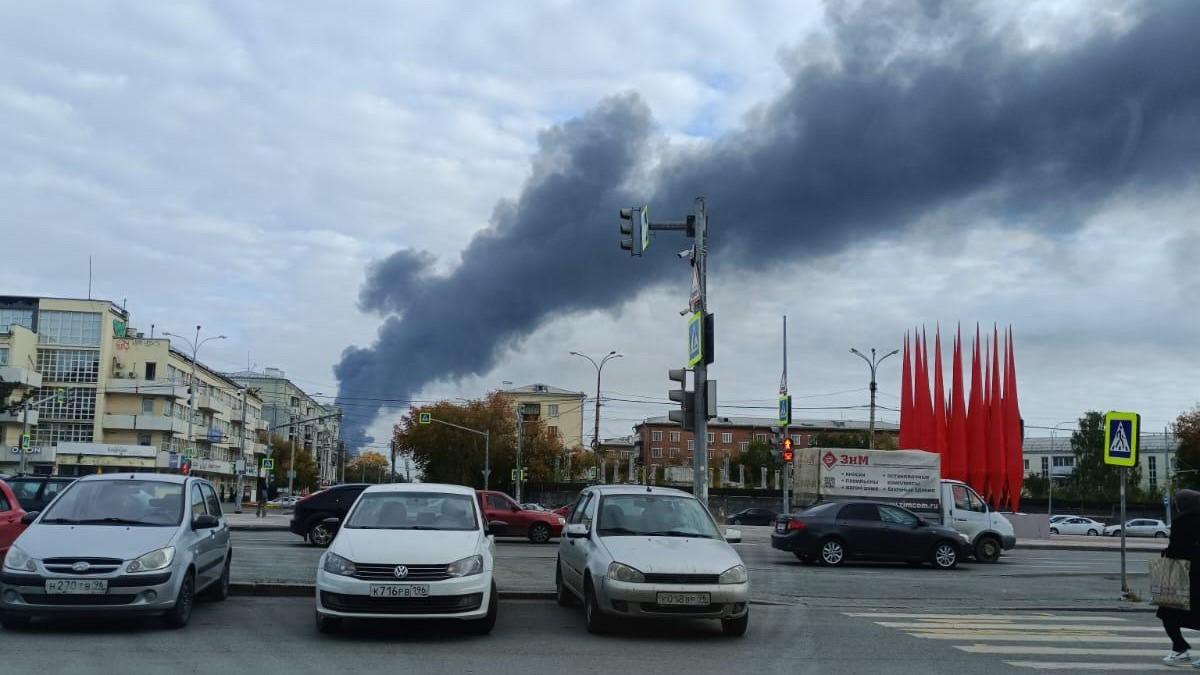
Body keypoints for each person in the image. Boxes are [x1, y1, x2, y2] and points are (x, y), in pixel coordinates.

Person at [1158, 489, 1200, 666]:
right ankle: (1180, 649)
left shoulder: (1182, 521)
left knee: (1167, 612)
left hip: (1182, 574)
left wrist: (1164, 555)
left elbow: (1176, 549)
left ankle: (1179, 648)